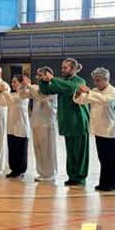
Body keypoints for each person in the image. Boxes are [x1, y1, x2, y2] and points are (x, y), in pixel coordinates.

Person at [38, 60, 90, 188]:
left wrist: (52, 78)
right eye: (62, 67)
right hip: (67, 121)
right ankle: (72, 176)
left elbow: (70, 88)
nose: (62, 70)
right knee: (70, 152)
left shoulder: (80, 81)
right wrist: (43, 81)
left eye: (65, 68)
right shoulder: (61, 82)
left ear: (73, 69)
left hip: (78, 121)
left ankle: (80, 178)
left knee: (80, 153)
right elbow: (46, 91)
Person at [74, 67, 115, 192]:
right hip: (99, 130)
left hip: (112, 130)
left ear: (106, 79)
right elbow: (80, 100)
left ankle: (112, 184)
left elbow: (104, 100)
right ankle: (103, 183)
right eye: (95, 80)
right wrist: (79, 93)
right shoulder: (95, 91)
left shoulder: (113, 92)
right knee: (103, 158)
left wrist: (89, 92)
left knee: (113, 160)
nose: (96, 83)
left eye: (98, 80)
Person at [27, 69, 60, 184]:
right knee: (38, 150)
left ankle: (50, 174)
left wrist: (29, 85)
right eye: (38, 75)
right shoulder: (36, 88)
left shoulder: (52, 88)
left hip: (47, 124)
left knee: (47, 151)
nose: (38, 78)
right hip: (36, 122)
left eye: (41, 75)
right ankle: (41, 172)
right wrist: (22, 86)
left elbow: (41, 97)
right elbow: (23, 95)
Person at [4, 75, 31, 178]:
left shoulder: (24, 93)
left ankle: (20, 170)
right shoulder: (12, 94)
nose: (12, 84)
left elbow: (12, 100)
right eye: (12, 82)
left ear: (21, 83)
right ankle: (13, 169)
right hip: (11, 125)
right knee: (12, 148)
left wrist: (4, 91)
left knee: (20, 149)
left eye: (15, 82)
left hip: (21, 125)